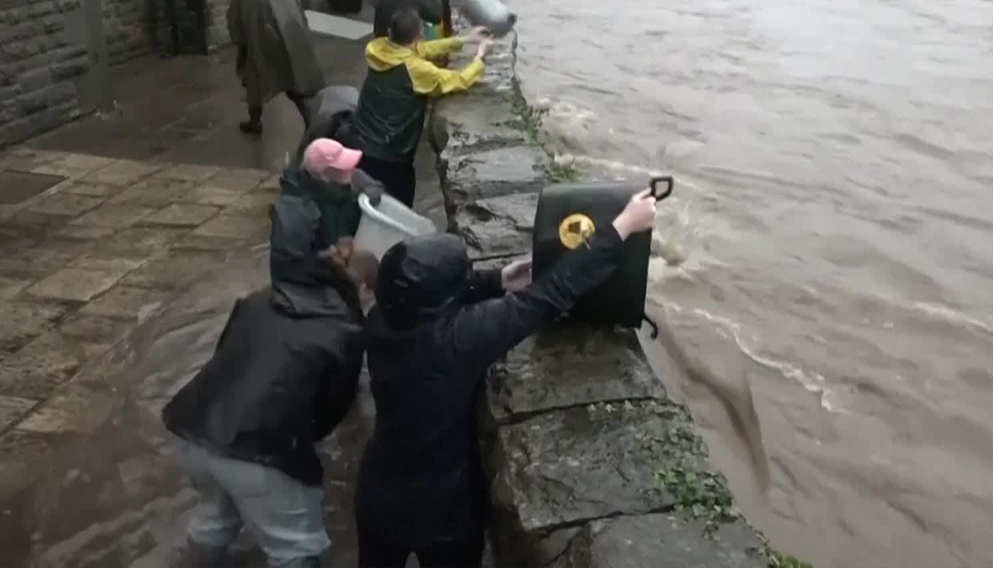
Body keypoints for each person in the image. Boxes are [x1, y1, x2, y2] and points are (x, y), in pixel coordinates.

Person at [354, 190, 660, 568]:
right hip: (442, 512)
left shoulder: (381, 320)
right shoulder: (459, 339)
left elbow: (429, 298)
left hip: (378, 498)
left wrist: (497, 280)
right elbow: (547, 297)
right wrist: (622, 227)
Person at [162, 195, 377, 568]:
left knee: (214, 522)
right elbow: (331, 411)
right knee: (296, 549)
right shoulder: (344, 330)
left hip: (196, 430)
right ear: (362, 290)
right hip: (260, 454)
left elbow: (224, 358)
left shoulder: (258, 300)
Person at [348, 9, 493, 207]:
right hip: (390, 154)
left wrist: (466, 39)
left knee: (363, 201)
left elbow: (421, 49)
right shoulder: (415, 69)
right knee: (397, 208)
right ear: (418, 35)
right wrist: (480, 57)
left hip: (360, 141)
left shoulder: (378, 49)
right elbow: (458, 80)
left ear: (390, 32)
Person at [227, 0, 325, 135]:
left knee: (254, 81)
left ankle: (255, 122)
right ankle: (310, 122)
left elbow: (236, 17)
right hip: (291, 40)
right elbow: (299, 12)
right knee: (294, 83)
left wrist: (240, 41)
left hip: (260, 45)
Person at [280, 138, 384, 247]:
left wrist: (362, 197)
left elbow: (377, 188)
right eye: (342, 166)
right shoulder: (303, 206)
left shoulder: (353, 177)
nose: (350, 169)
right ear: (323, 176)